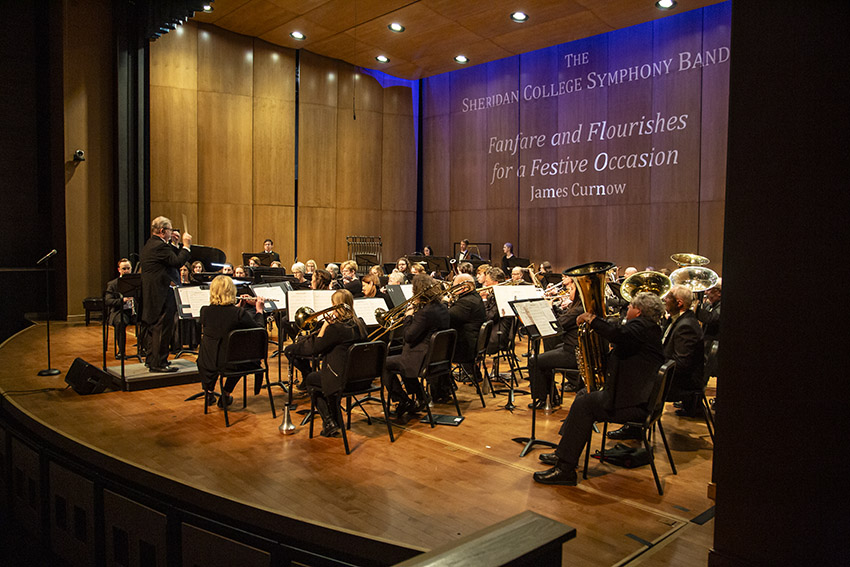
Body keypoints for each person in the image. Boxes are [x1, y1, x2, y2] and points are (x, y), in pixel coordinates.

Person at [533, 292, 665, 486]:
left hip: (634, 405)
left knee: (585, 404)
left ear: (638, 311)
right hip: (639, 399)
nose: (626, 309)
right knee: (583, 395)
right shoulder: (650, 328)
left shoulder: (640, 327)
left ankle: (565, 469)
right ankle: (564, 453)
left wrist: (592, 319)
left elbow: (618, 334)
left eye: (629, 307)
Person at [284, 289, 367, 437]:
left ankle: (329, 421)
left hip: (341, 380)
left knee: (311, 380)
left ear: (336, 306)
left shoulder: (336, 329)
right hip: (360, 379)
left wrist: (324, 327)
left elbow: (314, 349)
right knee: (322, 377)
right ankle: (335, 420)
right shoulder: (360, 323)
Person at [384, 274, 450, 418]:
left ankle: (403, 401)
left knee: (382, 364)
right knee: (399, 359)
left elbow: (408, 336)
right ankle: (421, 397)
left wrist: (408, 316)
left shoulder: (425, 313)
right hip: (436, 358)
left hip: (421, 359)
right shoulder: (442, 307)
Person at [197, 276, 266, 408]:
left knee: (217, 352)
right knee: (242, 358)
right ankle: (226, 393)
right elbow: (259, 331)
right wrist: (259, 311)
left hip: (209, 362)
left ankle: (209, 393)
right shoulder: (238, 314)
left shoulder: (205, 311)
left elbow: (222, 318)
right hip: (231, 364)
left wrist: (236, 307)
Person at [140, 217, 192, 372]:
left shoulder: (153, 244)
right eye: (170, 229)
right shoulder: (159, 247)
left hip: (154, 293)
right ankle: (159, 363)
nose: (172, 232)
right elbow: (176, 262)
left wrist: (175, 244)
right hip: (162, 294)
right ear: (162, 231)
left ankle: (153, 359)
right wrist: (186, 246)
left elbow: (170, 259)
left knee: (155, 327)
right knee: (162, 328)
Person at [529, 274, 584, 408]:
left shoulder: (578, 309)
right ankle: (551, 397)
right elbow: (564, 319)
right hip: (570, 347)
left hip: (574, 352)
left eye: (571, 290)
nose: (568, 292)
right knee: (545, 357)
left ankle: (544, 399)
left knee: (534, 360)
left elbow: (558, 325)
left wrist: (548, 307)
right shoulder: (578, 307)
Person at [660, 284, 705, 418]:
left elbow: (681, 364)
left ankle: (636, 427)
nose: (664, 300)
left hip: (683, 384)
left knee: (639, 381)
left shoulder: (686, 326)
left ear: (679, 303)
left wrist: (656, 366)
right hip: (680, 379)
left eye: (668, 297)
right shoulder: (679, 320)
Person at [447, 273, 486, 396]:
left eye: (454, 287)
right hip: (472, 342)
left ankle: (445, 388)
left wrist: (443, 303)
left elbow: (447, 317)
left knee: (434, 350)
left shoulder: (466, 302)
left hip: (466, 347)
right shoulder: (474, 297)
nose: (452, 290)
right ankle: (446, 385)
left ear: (464, 288)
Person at [105, 258, 136, 359]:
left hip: (134, 311)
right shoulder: (113, 284)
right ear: (119, 270)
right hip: (120, 311)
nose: (126, 271)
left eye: (128, 268)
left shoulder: (137, 282)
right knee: (120, 322)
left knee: (149, 320)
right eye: (124, 269)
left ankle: (144, 349)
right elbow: (108, 301)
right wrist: (122, 300)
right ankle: (121, 351)